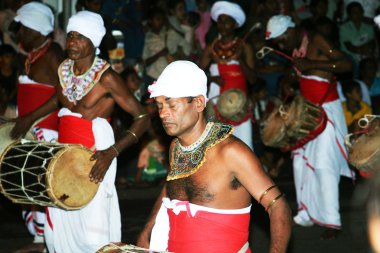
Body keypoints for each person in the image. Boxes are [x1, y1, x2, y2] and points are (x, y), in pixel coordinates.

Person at [11, 10, 149, 253]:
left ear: (93, 42)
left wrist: (111, 152)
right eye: (71, 35)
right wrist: (29, 118)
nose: (72, 41)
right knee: (62, 214)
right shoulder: (64, 69)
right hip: (65, 151)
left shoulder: (107, 78)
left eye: (80, 37)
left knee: (91, 225)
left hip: (95, 152)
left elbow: (142, 117)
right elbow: (59, 98)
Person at [136, 60, 292, 252]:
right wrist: (147, 230)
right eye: (159, 106)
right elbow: (171, 187)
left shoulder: (231, 152)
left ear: (199, 103)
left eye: (172, 105)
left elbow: (278, 206)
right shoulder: (176, 147)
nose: (163, 114)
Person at [266, 14, 354, 240]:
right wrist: (289, 82)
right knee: (300, 164)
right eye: (276, 42)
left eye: (281, 39)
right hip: (306, 113)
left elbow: (345, 64)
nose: (280, 45)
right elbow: (299, 74)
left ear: (291, 31)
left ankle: (333, 222)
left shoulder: (316, 40)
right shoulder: (295, 48)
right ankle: (306, 213)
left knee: (324, 165)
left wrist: (311, 65)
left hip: (326, 110)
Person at [10, 2, 64, 252]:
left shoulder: (53, 54)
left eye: (23, 29)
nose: (19, 34)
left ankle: (43, 241)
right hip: (29, 130)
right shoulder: (32, 55)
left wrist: (29, 118)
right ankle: (38, 238)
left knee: (41, 184)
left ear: (36, 29)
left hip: (46, 131)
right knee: (26, 184)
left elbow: (63, 95)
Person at [200, 1, 255, 150]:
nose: (222, 25)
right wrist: (212, 78)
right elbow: (198, 75)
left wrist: (240, 61)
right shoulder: (212, 48)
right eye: (220, 21)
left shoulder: (245, 47)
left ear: (236, 25)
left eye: (227, 21)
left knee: (244, 148)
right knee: (219, 149)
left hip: (239, 106)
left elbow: (252, 79)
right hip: (217, 106)